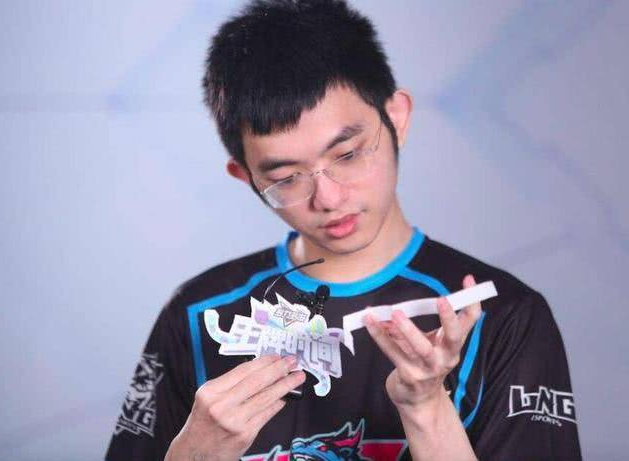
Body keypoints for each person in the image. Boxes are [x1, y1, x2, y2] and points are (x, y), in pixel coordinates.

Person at [105, 1, 581, 460]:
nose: (328, 198)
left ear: (397, 119)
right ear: (245, 176)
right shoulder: (199, 314)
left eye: (348, 155)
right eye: (285, 178)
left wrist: (425, 408)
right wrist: (195, 456)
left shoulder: (504, 317)